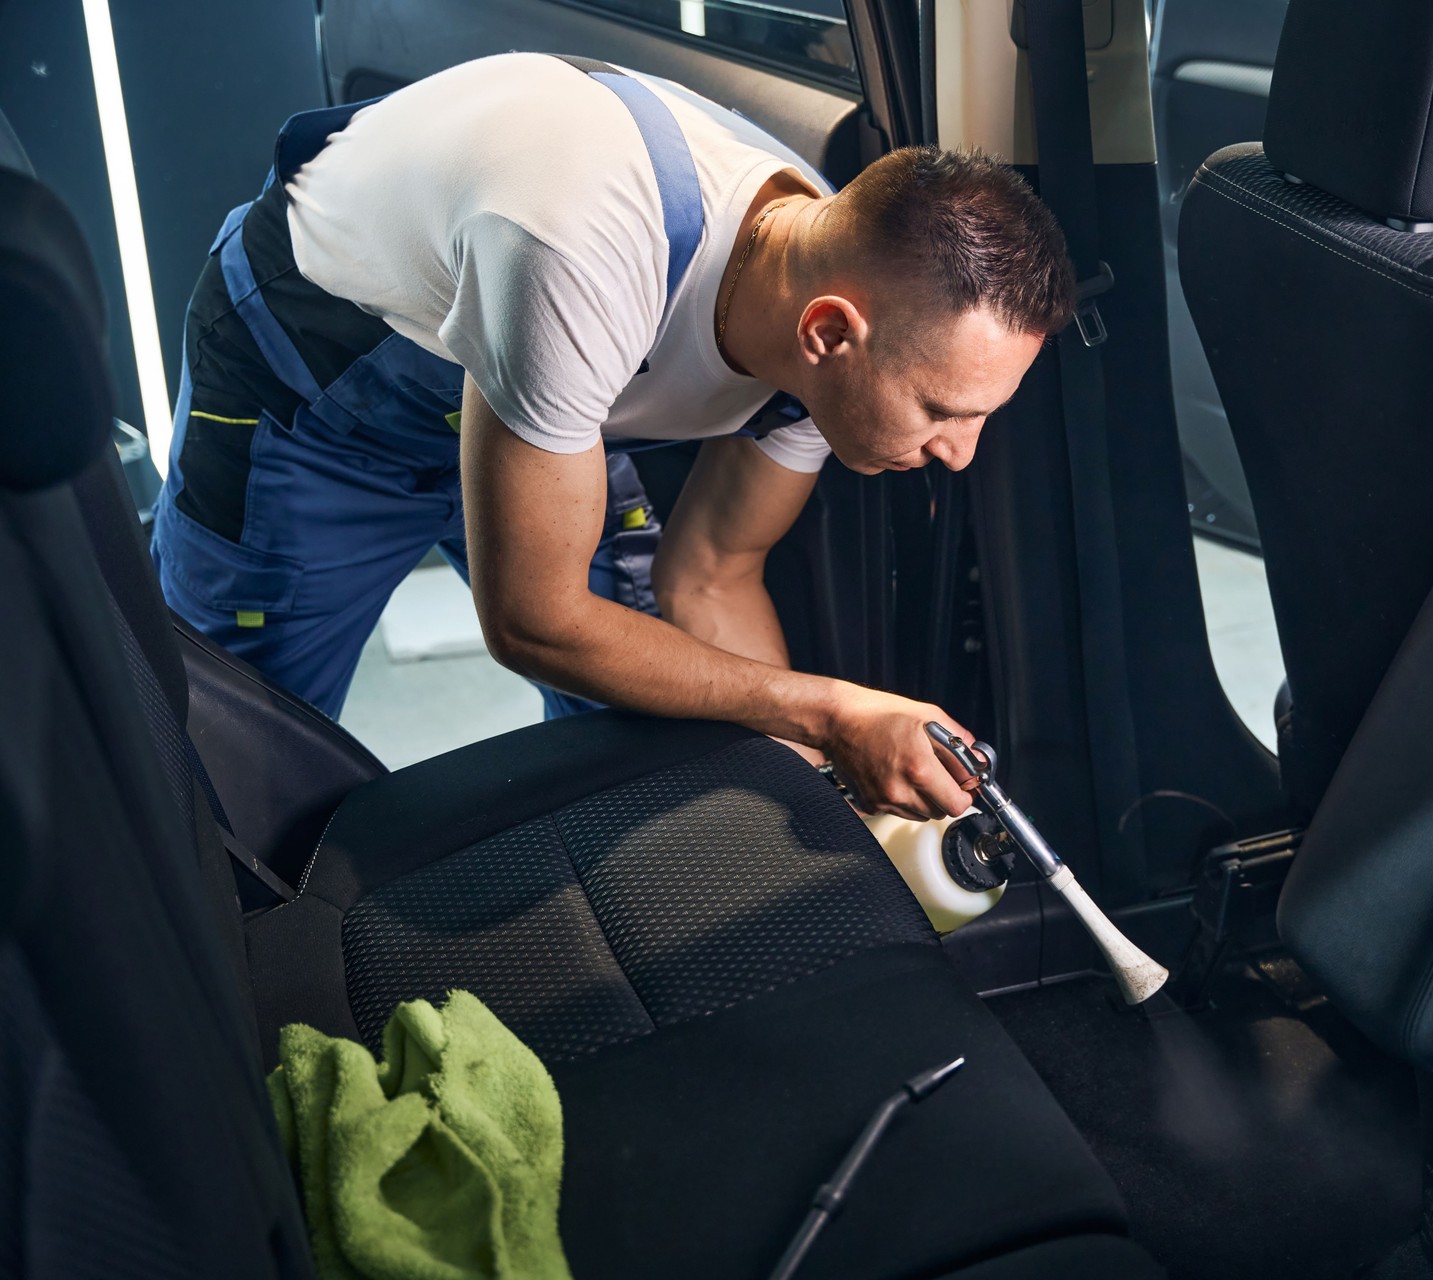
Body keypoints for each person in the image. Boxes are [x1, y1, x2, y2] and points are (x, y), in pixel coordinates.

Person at [151, 52, 1076, 821]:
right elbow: (533, 621)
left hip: (552, 405)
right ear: (829, 333)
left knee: (665, 723)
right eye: (944, 411)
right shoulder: (582, 242)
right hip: (322, 386)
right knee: (232, 759)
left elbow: (712, 573)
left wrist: (831, 802)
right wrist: (835, 713)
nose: (961, 453)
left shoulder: (835, 319)